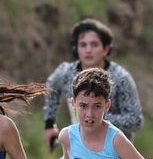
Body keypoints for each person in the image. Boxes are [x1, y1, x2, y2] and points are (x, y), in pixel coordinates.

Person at [42, 18, 143, 150]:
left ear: (106, 49)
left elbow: (135, 120)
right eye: (83, 45)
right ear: (76, 49)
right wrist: (49, 124)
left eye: (94, 45)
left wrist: (97, 116)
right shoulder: (66, 73)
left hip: (114, 151)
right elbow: (50, 89)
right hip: (78, 147)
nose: (88, 50)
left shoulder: (121, 78)